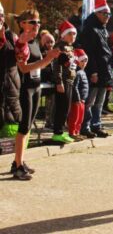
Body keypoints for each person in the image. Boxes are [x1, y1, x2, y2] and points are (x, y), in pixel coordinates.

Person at [12, 9, 59, 180]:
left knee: (29, 126)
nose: (36, 25)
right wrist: (48, 59)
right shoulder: (20, 43)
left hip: (36, 86)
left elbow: (38, 65)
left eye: (38, 22)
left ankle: (19, 160)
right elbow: (23, 68)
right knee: (23, 126)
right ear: (22, 24)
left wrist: (51, 57)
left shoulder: (33, 42)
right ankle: (17, 166)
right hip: (25, 88)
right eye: (32, 22)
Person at [78, 0, 113, 139]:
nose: (107, 17)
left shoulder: (103, 29)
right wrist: (93, 71)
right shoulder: (90, 29)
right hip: (95, 70)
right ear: (98, 13)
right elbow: (90, 52)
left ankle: (96, 125)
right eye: (105, 14)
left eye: (109, 15)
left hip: (105, 69)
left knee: (99, 102)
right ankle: (85, 126)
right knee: (90, 101)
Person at [52, 21, 78, 144]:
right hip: (63, 81)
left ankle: (62, 131)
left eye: (74, 34)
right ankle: (57, 133)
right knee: (61, 108)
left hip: (70, 80)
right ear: (63, 35)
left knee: (66, 108)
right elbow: (57, 66)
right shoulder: (59, 47)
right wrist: (59, 82)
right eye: (70, 34)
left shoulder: (70, 47)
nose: (73, 36)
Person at [69, 49, 89, 140]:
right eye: (82, 61)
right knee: (75, 117)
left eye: (85, 61)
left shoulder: (83, 72)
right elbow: (75, 87)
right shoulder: (77, 72)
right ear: (77, 62)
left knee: (80, 118)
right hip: (77, 100)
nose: (84, 63)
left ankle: (77, 132)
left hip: (82, 100)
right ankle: (72, 132)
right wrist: (77, 99)